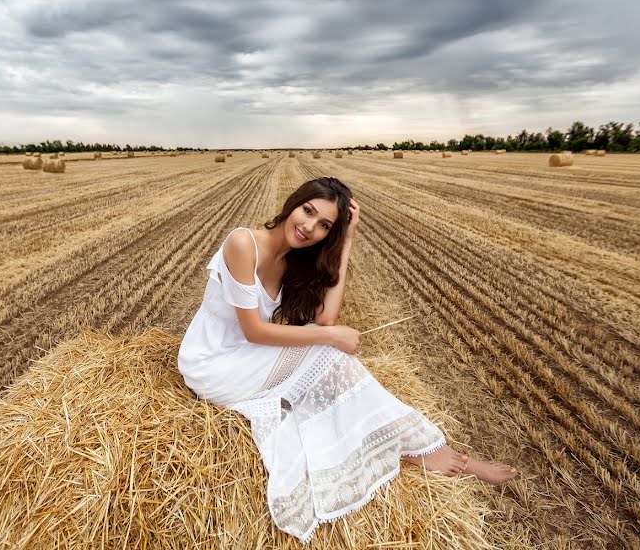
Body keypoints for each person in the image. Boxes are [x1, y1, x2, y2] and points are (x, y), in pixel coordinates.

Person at [178, 176, 517, 543]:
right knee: (327, 350)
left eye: (324, 225)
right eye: (308, 211)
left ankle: (418, 447)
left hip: (244, 356)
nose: (309, 227)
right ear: (293, 203)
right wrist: (330, 337)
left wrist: (348, 240)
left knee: (326, 350)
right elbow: (256, 332)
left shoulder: (294, 260)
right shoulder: (243, 243)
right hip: (213, 362)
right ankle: (428, 451)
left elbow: (325, 317)